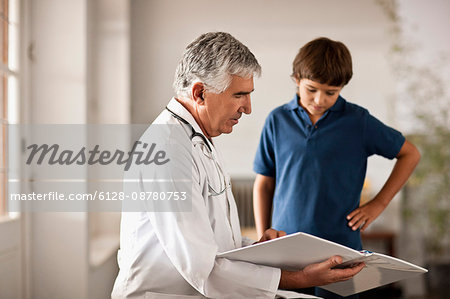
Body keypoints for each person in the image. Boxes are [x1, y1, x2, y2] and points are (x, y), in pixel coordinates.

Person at [111, 32, 364, 299]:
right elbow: (202, 266)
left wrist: (260, 251)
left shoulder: (198, 138)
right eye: (239, 95)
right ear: (200, 93)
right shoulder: (167, 149)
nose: (248, 108)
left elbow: (215, 243)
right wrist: (298, 279)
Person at [253, 37, 421, 298]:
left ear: (342, 87)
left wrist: (378, 204)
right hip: (286, 247)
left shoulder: (359, 121)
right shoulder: (277, 120)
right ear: (296, 78)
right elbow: (264, 182)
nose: (319, 99)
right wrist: (264, 236)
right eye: (312, 90)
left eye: (331, 92)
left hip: (340, 248)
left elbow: (410, 154)